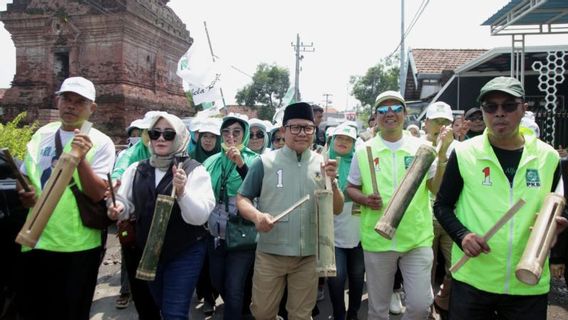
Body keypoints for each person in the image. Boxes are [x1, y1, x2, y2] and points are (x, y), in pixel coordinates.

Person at [434, 76, 566, 320]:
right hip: (474, 281)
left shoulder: (548, 157)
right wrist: (463, 236)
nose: (499, 113)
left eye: (509, 105)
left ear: (523, 109)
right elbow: (442, 206)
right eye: (491, 107)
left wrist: (555, 235)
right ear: (483, 111)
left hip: (527, 281)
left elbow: (556, 211)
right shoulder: (464, 154)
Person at [345, 90, 453, 320]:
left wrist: (442, 157)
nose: (390, 114)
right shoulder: (364, 150)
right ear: (376, 116)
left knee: (420, 306)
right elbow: (351, 187)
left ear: (405, 114)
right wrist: (364, 199)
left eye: (396, 108)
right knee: (378, 310)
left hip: (416, 238)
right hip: (378, 241)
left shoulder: (421, 148)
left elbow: (435, 188)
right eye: (383, 110)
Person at [17, 76, 116, 320]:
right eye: (66, 99)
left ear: (91, 108)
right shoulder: (42, 134)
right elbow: (28, 177)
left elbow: (96, 194)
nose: (71, 106)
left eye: (79, 102)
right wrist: (25, 193)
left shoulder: (102, 143)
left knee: (71, 313)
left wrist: (80, 159)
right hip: (36, 239)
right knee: (34, 311)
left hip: (77, 246)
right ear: (58, 101)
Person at [236, 102, 344, 320]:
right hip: (270, 253)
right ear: (283, 130)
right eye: (295, 127)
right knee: (262, 312)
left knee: (301, 315)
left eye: (307, 128)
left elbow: (337, 209)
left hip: (308, 256)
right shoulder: (264, 162)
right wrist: (257, 216)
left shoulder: (323, 164)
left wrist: (332, 184)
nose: (302, 133)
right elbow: (242, 198)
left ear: (314, 131)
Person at [108, 112, 215, 319]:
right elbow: (124, 202)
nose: (160, 139)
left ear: (181, 138)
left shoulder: (194, 171)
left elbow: (199, 216)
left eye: (168, 134)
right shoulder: (136, 169)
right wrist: (116, 208)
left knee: (173, 312)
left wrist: (182, 192)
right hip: (148, 252)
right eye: (155, 133)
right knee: (156, 304)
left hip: (184, 252)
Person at [203, 113, 258, 320]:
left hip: (242, 234)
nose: (230, 136)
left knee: (234, 287)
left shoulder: (255, 160)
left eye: (236, 132)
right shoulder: (212, 161)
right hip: (215, 233)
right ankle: (242, 307)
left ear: (244, 135)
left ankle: (237, 310)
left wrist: (241, 164)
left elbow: (259, 190)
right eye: (226, 132)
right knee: (218, 281)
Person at [422, 101, 458, 316]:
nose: (442, 127)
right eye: (437, 121)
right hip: (425, 218)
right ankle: (426, 307)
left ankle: (444, 300)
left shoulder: (461, 149)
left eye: (446, 122)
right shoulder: (417, 146)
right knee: (426, 267)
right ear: (426, 123)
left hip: (452, 218)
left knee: (456, 267)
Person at [326, 124, 365, 320]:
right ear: (332, 140)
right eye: (339, 138)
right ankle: (339, 314)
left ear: (354, 143)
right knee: (337, 278)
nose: (343, 142)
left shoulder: (361, 163)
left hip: (358, 233)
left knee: (358, 277)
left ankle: (353, 314)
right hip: (332, 233)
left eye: (348, 139)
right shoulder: (323, 163)